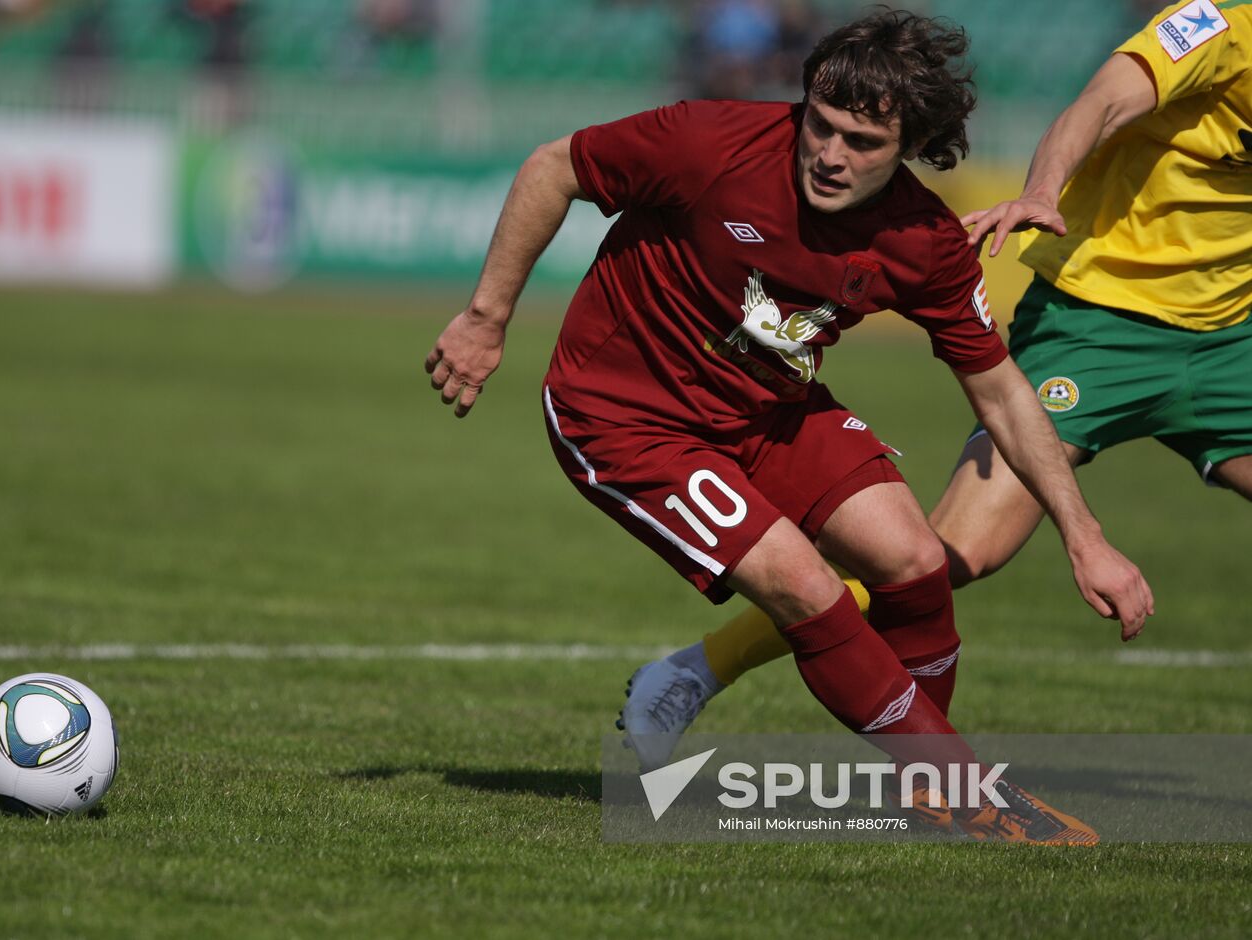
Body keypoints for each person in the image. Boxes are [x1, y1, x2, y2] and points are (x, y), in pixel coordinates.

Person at [425, 9, 1152, 843]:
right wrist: (487, 317)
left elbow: (1002, 394)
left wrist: (1083, 534)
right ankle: (962, 791)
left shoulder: (924, 241)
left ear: (912, 143)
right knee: (806, 587)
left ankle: (927, 790)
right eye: (823, 126)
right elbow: (552, 167)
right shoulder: (712, 143)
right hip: (626, 415)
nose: (832, 155)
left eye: (863, 143)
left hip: (766, 408)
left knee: (916, 563)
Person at [634, 0, 1247, 772]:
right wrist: (1045, 192)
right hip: (1102, 324)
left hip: (1234, 341)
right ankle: (699, 670)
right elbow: (1098, 102)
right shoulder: (1218, 30)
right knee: (940, 557)